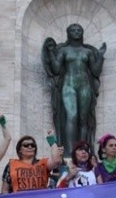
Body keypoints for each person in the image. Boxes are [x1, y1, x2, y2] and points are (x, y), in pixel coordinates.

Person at [42, 23, 107, 155]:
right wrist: (50, 52)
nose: (76, 32)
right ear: (68, 33)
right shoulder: (64, 51)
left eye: (79, 30)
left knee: (83, 119)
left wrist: (100, 56)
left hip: (85, 86)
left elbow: (95, 71)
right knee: (71, 116)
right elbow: (56, 69)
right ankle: (69, 152)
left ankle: (82, 150)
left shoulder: (87, 52)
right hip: (68, 85)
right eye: (73, 30)